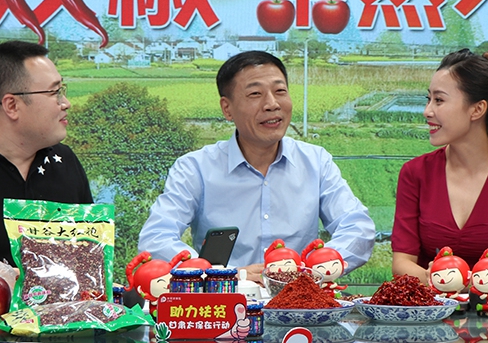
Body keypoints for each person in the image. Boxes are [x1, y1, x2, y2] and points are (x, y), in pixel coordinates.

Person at [138, 51, 375, 282]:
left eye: (280, 91)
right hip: (225, 299)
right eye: (255, 94)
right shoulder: (195, 168)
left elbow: (357, 228)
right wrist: (223, 275)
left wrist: (312, 270)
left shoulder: (315, 162)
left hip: (301, 298)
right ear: (227, 109)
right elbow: (156, 238)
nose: (272, 104)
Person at [391, 48, 488, 290]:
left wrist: (455, 281)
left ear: (477, 109)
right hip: (429, 309)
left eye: (439, 100)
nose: (427, 111)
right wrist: (438, 281)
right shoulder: (415, 173)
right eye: (428, 99)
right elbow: (401, 263)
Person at [0, 40, 93, 263]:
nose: (66, 103)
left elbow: (88, 255)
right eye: (55, 92)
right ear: (12, 106)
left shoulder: (65, 161)